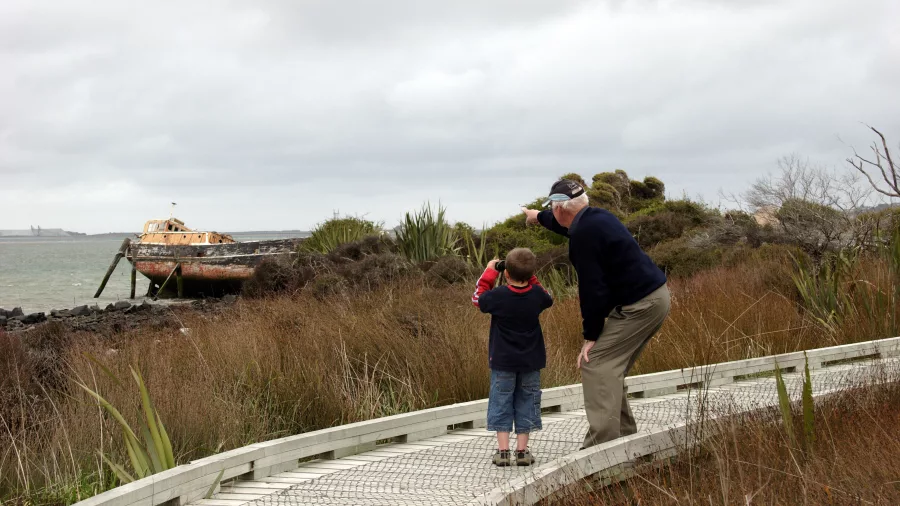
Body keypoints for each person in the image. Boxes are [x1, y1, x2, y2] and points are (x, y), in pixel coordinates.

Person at [521, 179, 670, 448]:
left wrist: (591, 336)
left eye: (551, 210)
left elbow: (593, 291)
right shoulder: (597, 217)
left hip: (641, 306)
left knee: (596, 362)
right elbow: (565, 222)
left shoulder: (583, 238)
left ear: (560, 208)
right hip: (653, 298)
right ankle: (624, 439)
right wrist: (537, 217)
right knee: (612, 367)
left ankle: (600, 449)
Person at [472, 248, 554, 466]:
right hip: (531, 361)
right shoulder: (537, 296)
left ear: (506, 273)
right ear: (531, 274)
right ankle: (522, 452)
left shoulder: (498, 297)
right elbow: (547, 296)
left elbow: (478, 297)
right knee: (527, 401)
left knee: (501, 402)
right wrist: (531, 277)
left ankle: (503, 452)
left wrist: (490, 272)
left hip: (503, 362)